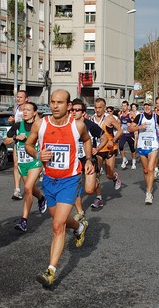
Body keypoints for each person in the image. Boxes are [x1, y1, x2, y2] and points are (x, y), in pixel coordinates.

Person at [25, 89, 95, 287]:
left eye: (59, 102)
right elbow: (29, 146)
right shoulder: (40, 124)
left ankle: (51, 271)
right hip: (49, 180)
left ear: (68, 105)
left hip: (70, 180)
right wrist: (37, 155)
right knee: (59, 220)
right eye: (52, 102)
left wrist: (88, 159)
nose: (55, 106)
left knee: (57, 226)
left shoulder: (77, 125)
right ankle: (80, 226)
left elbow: (87, 140)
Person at [4, 102, 47, 232]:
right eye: (23, 110)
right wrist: (16, 137)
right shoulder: (18, 126)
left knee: (27, 188)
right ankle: (41, 198)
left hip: (35, 161)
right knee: (31, 188)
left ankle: (23, 221)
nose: (25, 112)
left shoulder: (39, 125)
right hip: (22, 163)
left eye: (28, 110)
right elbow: (5, 140)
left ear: (35, 113)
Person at [71, 98, 106, 221]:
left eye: (77, 110)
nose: (74, 112)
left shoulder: (90, 125)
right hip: (74, 160)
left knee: (89, 190)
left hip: (89, 159)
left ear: (83, 112)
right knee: (75, 186)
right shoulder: (68, 125)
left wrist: (97, 148)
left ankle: (96, 185)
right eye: (72, 110)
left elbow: (105, 138)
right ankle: (80, 212)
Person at [90, 98, 123, 209]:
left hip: (109, 149)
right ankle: (99, 198)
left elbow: (120, 131)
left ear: (104, 108)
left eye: (100, 107)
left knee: (109, 175)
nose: (97, 110)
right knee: (96, 174)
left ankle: (114, 177)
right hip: (98, 150)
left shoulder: (109, 119)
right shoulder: (91, 119)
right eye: (95, 107)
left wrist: (113, 141)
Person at [129, 101, 159, 204]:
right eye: (145, 105)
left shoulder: (156, 117)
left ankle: (148, 193)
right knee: (145, 170)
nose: (147, 107)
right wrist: (139, 127)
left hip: (153, 145)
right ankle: (149, 186)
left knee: (151, 169)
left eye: (149, 105)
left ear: (152, 107)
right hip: (142, 145)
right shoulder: (139, 117)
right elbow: (130, 128)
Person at [9, 90, 28, 200]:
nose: (18, 99)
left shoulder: (29, 109)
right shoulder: (16, 109)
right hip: (18, 141)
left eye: (21, 97)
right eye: (17, 97)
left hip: (29, 141)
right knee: (16, 164)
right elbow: (15, 125)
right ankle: (17, 189)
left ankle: (30, 185)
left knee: (29, 164)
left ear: (26, 99)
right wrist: (12, 122)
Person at [118, 100, 137, 170]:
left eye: (125, 106)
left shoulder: (131, 113)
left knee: (132, 149)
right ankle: (124, 159)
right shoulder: (120, 114)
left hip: (130, 134)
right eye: (122, 106)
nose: (123, 107)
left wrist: (131, 123)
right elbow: (119, 122)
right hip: (123, 133)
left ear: (127, 106)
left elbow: (136, 122)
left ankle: (133, 161)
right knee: (120, 146)